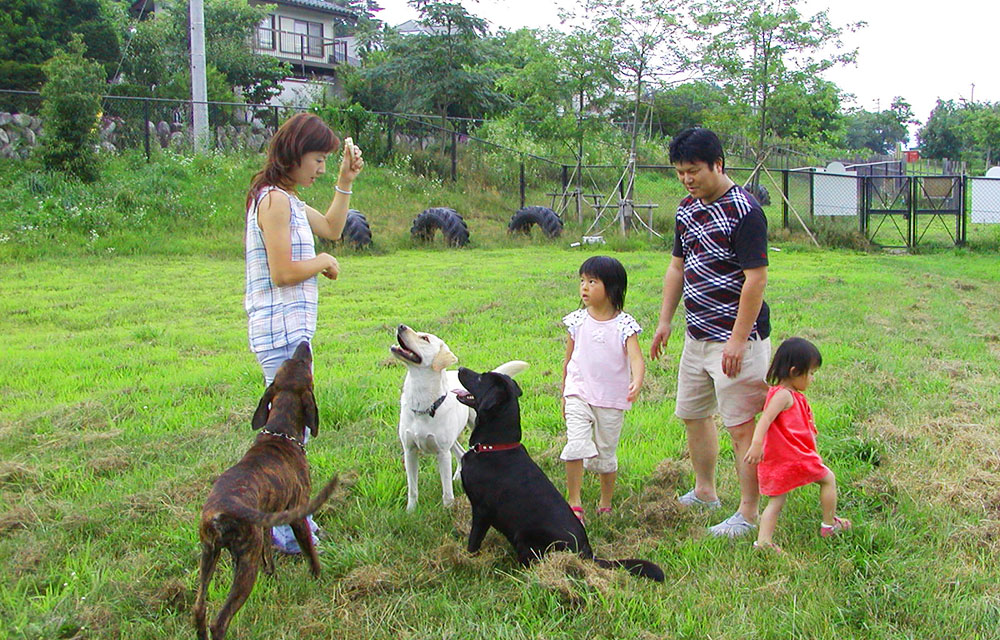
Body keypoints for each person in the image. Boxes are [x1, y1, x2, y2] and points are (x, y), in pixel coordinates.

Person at [244, 112, 364, 553]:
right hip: (278, 331)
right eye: (317, 159)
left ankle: (291, 523)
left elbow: (332, 228)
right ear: (294, 154)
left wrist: (345, 180)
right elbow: (281, 271)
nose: (320, 168)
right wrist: (323, 262)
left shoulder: (287, 200)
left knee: (292, 434)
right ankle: (283, 529)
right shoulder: (274, 201)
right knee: (286, 436)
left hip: (290, 331)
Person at [649, 127, 770, 538]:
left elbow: (755, 279)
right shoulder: (686, 209)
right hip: (696, 335)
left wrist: (737, 340)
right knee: (694, 414)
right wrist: (665, 320)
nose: (687, 179)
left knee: (741, 427)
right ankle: (705, 492)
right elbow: (677, 267)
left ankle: (748, 513)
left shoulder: (746, 211)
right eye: (680, 172)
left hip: (737, 341)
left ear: (718, 164)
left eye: (694, 170)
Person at [743, 337, 851, 552]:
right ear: (794, 372)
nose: (812, 379)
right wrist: (756, 444)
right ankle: (829, 525)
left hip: (782, 458)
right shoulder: (784, 396)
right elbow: (765, 419)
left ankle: (763, 542)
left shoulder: (783, 393)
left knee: (776, 501)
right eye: (810, 373)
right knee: (828, 479)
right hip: (794, 457)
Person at [560, 256, 645, 523]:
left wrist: (637, 380)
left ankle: (605, 502)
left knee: (606, 453)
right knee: (575, 444)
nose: (584, 287)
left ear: (612, 288)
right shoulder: (577, 321)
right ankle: (574, 503)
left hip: (610, 399)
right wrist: (564, 392)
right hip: (578, 392)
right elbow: (568, 359)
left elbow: (636, 358)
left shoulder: (624, 325)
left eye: (592, 282)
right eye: (582, 281)